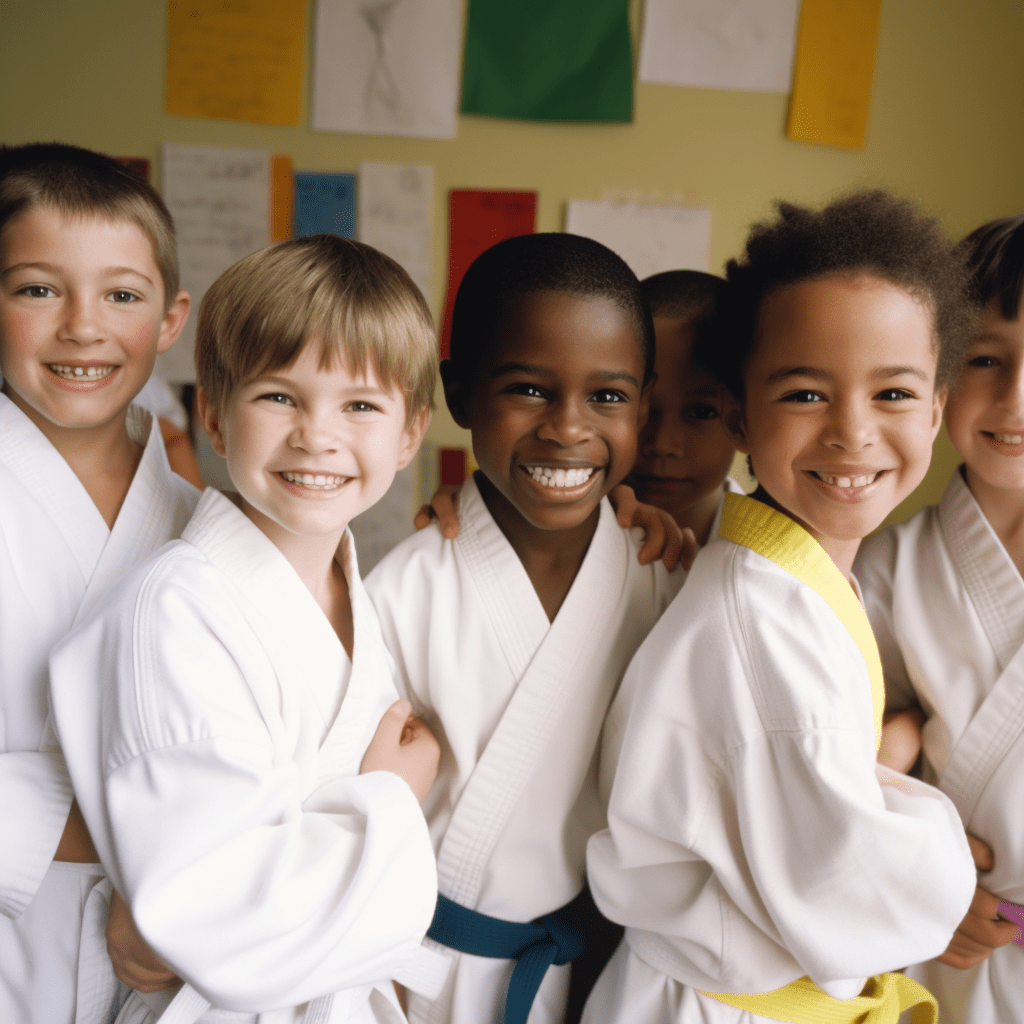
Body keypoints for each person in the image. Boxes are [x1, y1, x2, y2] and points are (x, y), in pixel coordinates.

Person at [584, 191, 979, 1024]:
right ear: (739, 411)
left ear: (939, 408)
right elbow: (859, 894)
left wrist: (873, 771)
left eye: (895, 395)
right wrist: (934, 832)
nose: (853, 434)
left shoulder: (786, 585)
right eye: (805, 395)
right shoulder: (756, 619)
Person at [48, 235, 445, 1024]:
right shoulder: (179, 607)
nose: (316, 436)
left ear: (410, 434)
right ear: (213, 417)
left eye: (360, 405)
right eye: (278, 397)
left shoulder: (353, 583)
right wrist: (392, 800)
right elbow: (221, 920)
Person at [364, 233, 685, 1024]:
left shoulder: (665, 578)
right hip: (409, 975)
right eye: (530, 391)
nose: (568, 429)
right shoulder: (402, 589)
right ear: (461, 393)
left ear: (645, 404)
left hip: (591, 973)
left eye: (607, 397)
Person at [0, 142, 193, 1024]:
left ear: (171, 318)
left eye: (121, 294)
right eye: (37, 288)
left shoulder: (204, 519)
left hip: (168, 950)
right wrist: (134, 847)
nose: (83, 326)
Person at [855, 215, 1024, 1024]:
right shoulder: (883, 567)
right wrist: (930, 875)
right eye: (987, 360)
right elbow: (844, 774)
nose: (1016, 395)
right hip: (941, 947)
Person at [629, 270, 741, 542]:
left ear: (746, 418)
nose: (661, 445)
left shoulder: (776, 560)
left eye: (701, 411)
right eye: (635, 407)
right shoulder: (564, 536)